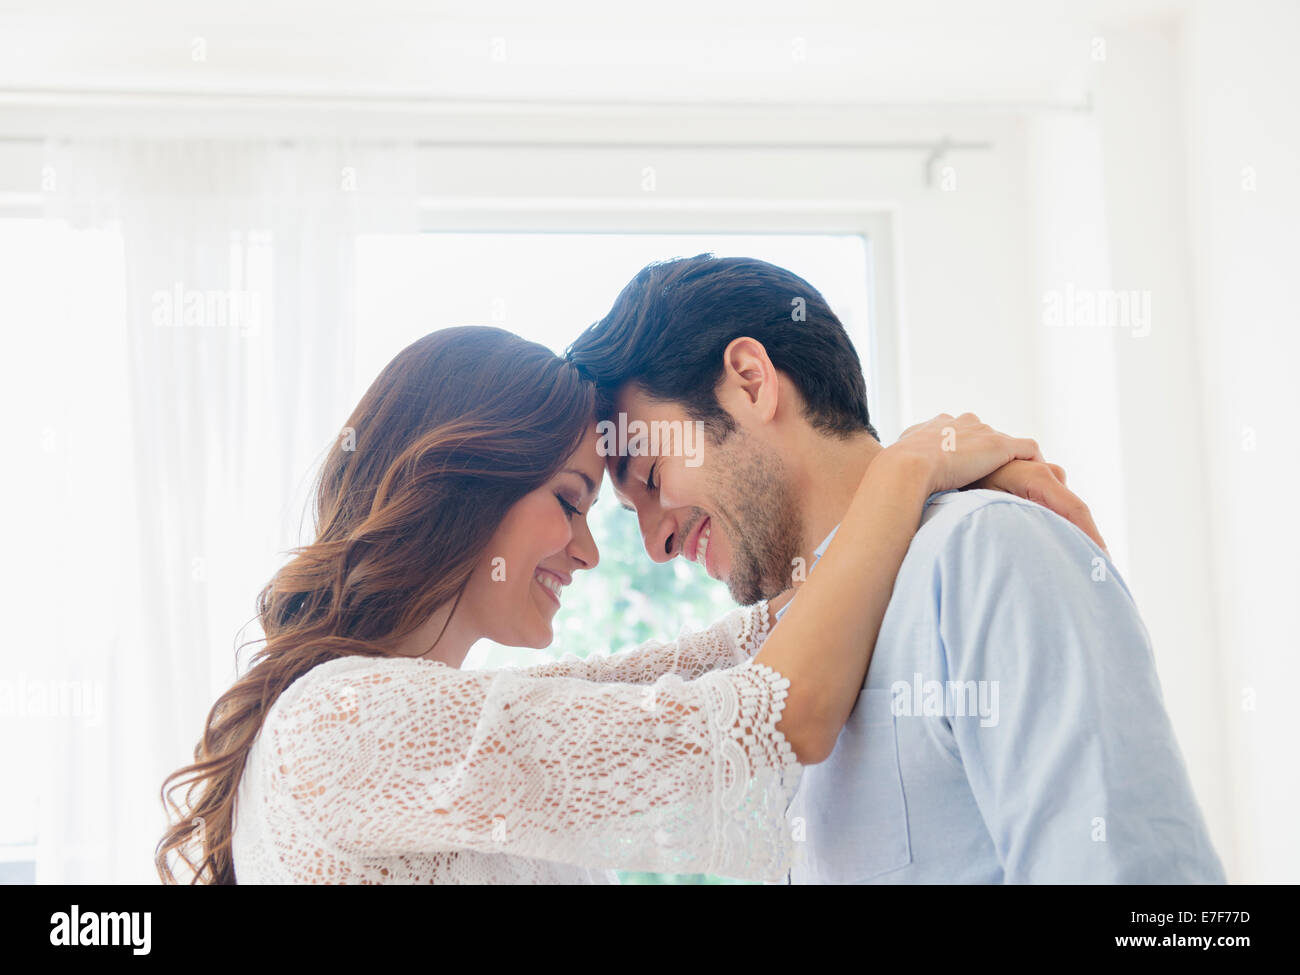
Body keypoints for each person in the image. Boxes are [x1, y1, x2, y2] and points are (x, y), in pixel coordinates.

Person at [156, 324, 1083, 884]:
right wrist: (910, 466)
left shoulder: (407, 712)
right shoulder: (349, 719)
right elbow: (774, 710)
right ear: (459, 480)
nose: (592, 550)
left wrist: (930, 492)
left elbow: (730, 658)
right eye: (569, 500)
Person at [566, 253, 1226, 883]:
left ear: (750, 380)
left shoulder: (987, 551)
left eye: (651, 475)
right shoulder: (783, 659)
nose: (655, 545)